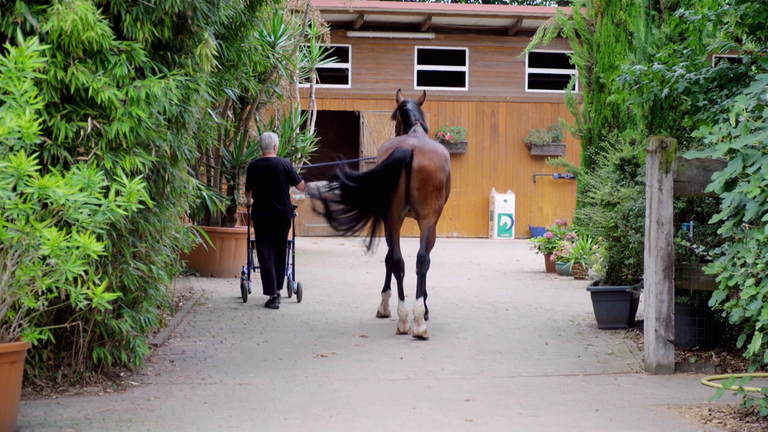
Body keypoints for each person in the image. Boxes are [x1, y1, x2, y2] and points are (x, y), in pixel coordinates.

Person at [245, 132, 306, 310]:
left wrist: (249, 203)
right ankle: (278, 290)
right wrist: (300, 178)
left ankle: (272, 295)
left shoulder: (253, 166)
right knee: (281, 251)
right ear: (275, 147)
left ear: (261, 148)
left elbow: (248, 193)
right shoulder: (285, 164)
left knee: (265, 253)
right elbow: (300, 186)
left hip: (262, 215)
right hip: (282, 215)